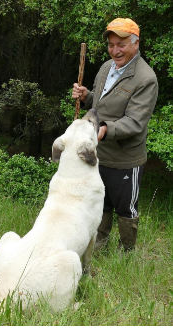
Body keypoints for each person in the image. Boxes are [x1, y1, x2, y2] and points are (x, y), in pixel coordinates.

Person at [72, 18, 158, 253]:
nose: (115, 50)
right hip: (100, 153)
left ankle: (126, 252)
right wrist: (85, 96)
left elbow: (135, 122)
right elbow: (100, 104)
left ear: (135, 43)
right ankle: (99, 244)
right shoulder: (105, 68)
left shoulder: (145, 78)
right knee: (101, 201)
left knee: (125, 209)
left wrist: (105, 129)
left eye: (121, 44)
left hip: (124, 159)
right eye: (111, 45)